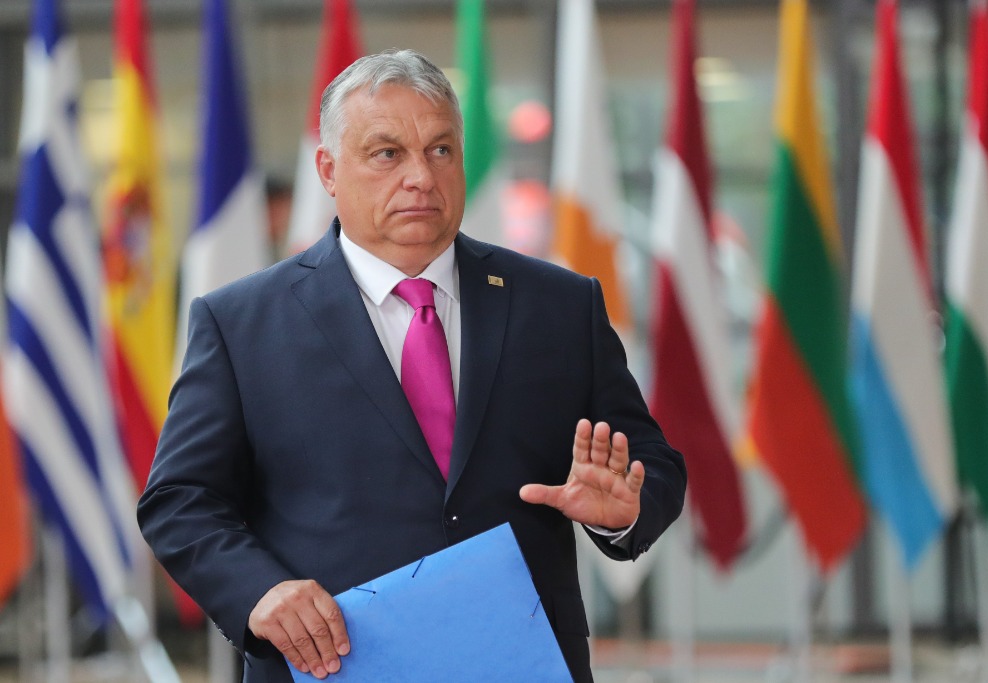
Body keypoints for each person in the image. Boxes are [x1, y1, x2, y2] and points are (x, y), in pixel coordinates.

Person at [138, 49, 686, 683]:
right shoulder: (240, 323)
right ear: (328, 170)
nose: (421, 177)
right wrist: (259, 590)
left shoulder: (559, 306)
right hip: (334, 666)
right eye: (387, 153)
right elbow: (179, 500)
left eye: (441, 150)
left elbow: (652, 460)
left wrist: (627, 509)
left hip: (522, 663)